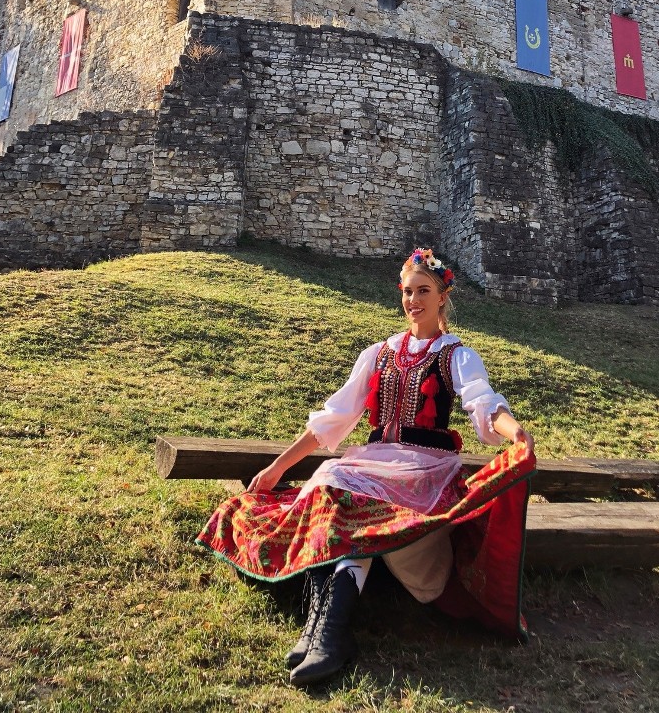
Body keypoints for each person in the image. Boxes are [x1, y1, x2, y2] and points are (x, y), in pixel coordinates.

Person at [196, 248, 535, 687]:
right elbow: (334, 419)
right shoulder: (378, 352)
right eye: (408, 292)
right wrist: (279, 468)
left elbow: (481, 403)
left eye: (424, 291)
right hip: (376, 460)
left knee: (343, 489)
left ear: (442, 297)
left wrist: (514, 431)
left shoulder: (457, 354)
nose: (414, 301)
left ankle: (329, 632)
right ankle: (321, 628)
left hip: (425, 466)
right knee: (328, 481)